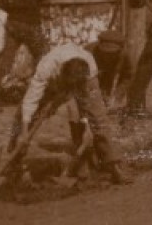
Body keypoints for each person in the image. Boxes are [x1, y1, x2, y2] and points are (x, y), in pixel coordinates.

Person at [13, 42, 128, 185]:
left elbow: (84, 105)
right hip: (55, 82)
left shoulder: (90, 67)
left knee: (99, 120)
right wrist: (24, 130)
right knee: (25, 117)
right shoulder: (46, 67)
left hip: (83, 81)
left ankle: (112, 166)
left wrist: (86, 123)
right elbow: (30, 99)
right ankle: (15, 162)